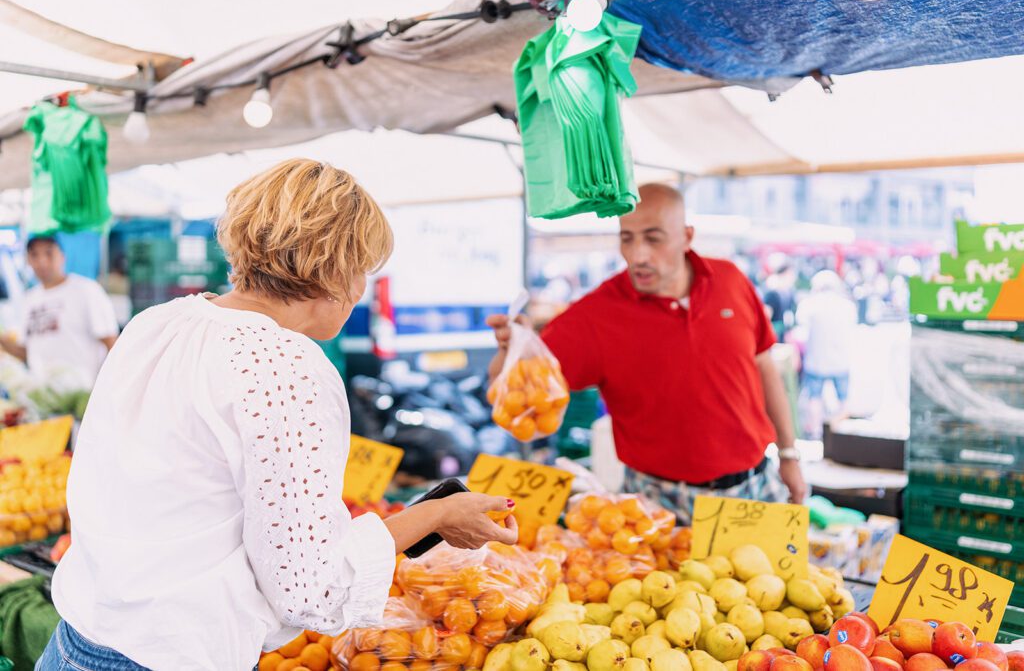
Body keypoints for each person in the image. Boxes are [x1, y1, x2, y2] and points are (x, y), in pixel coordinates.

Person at [37, 160, 517, 670]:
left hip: (73, 642)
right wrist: (435, 515)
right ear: (329, 268)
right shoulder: (283, 364)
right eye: (361, 270)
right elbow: (309, 587)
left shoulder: (158, 323)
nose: (359, 291)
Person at [488, 184, 806, 523]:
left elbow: (763, 365)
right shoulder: (594, 315)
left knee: (775, 578)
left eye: (653, 239)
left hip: (755, 486)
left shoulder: (730, 280)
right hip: (657, 501)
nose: (638, 255)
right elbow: (512, 392)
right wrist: (513, 350)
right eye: (627, 238)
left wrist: (789, 454)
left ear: (686, 236)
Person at [0, 235, 118, 388]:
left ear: (62, 257)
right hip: (45, 398)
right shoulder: (29, 299)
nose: (42, 261)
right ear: (28, 260)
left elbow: (112, 343)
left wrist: (110, 387)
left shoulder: (86, 290)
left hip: (86, 395)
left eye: (49, 253)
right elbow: (27, 353)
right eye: (34, 255)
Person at [795, 270, 858, 438]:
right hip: (841, 360)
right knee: (843, 399)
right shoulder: (847, 306)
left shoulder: (809, 305)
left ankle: (815, 433)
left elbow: (801, 328)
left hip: (816, 359)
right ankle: (841, 433)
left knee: (814, 397)